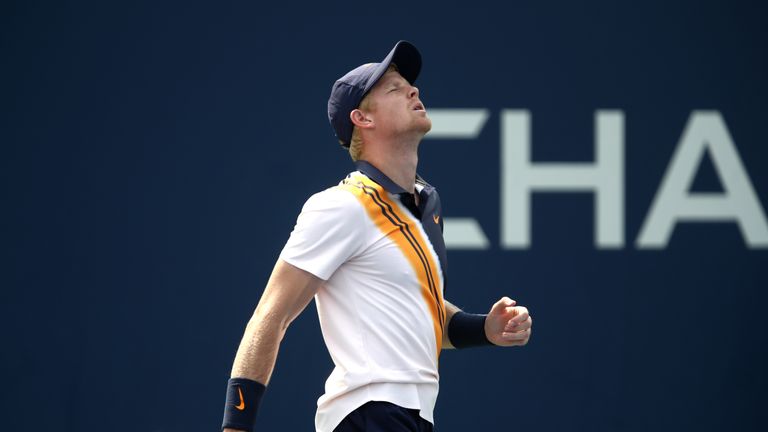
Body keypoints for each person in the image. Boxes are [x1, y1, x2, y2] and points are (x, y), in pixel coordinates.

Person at [221, 40, 533, 432]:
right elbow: (270, 316)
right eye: (394, 88)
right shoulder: (342, 205)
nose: (414, 90)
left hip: (409, 417)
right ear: (362, 120)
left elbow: (421, 313)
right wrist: (236, 426)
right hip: (368, 413)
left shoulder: (424, 204)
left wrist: (483, 328)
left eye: (409, 85)